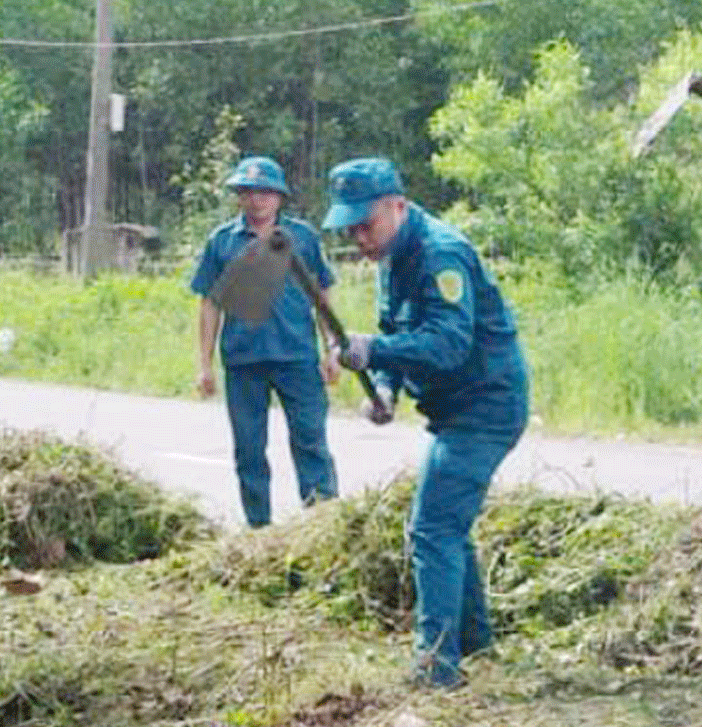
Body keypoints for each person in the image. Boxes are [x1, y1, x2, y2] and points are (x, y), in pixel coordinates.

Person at [326, 157, 531, 689]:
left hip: (486, 404)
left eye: (364, 225)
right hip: (456, 407)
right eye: (349, 229)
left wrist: (374, 353)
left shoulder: (441, 253)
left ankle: (435, 668)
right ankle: (475, 644)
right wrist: (387, 389)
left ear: (397, 205)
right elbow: (394, 328)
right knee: (448, 525)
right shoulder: (393, 255)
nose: (358, 238)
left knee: (432, 528)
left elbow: (447, 342)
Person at [188, 156, 340, 529]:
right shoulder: (222, 241)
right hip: (243, 362)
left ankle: (322, 525)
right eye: (249, 193)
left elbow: (322, 293)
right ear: (239, 197)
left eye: (265, 193)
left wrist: (331, 349)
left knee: (311, 444)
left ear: (279, 197)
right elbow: (209, 304)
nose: (257, 201)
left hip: (297, 358)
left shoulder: (301, 238)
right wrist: (204, 366)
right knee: (249, 451)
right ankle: (259, 530)